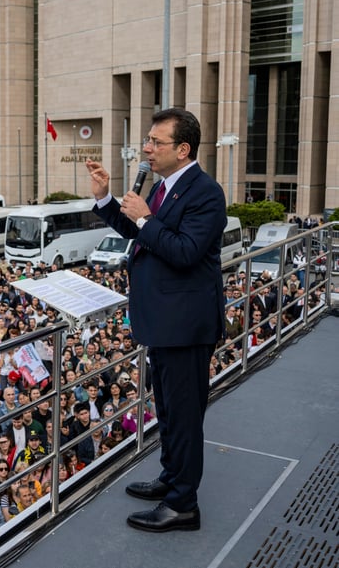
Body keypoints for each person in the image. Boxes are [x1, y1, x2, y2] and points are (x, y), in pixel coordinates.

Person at [87, 107, 226, 532]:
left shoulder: (206, 193)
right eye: (147, 139)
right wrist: (106, 200)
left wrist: (146, 216)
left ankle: (183, 504)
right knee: (166, 410)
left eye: (155, 141)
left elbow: (183, 251)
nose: (146, 148)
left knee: (184, 416)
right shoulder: (166, 188)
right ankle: (171, 478)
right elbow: (139, 233)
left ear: (183, 149)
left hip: (186, 326)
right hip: (163, 321)